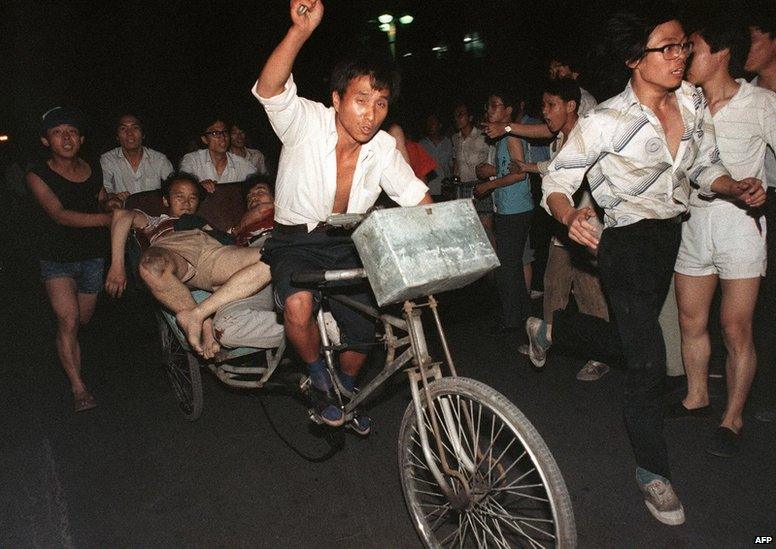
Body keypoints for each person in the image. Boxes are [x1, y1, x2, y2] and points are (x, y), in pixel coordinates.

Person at [538, 9, 764, 525]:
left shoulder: (693, 102)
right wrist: (569, 212)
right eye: (667, 48)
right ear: (634, 59)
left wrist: (733, 186)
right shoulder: (604, 122)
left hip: (670, 237)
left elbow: (705, 165)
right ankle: (652, 474)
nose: (680, 56)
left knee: (637, 346)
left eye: (683, 46)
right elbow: (557, 176)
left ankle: (556, 328)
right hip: (623, 242)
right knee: (647, 361)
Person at [253, 0, 432, 432]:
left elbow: (417, 199)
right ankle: (318, 378)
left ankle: (346, 386)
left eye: (382, 103)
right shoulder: (305, 122)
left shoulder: (384, 148)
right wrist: (299, 31)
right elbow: (271, 87)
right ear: (337, 99)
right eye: (361, 100)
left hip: (347, 243)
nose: (371, 115)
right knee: (297, 308)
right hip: (295, 241)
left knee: (366, 327)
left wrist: (442, 242)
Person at [671, 12, 776, 457]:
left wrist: (764, 192)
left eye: (691, 47)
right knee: (691, 320)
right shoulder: (683, 101)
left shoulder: (762, 103)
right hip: (692, 222)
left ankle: (732, 418)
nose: (684, 56)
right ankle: (697, 396)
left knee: (736, 327)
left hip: (739, 226)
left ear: (720, 53)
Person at [105, 172, 273, 358]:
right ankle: (205, 323)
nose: (187, 203)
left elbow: (230, 240)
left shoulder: (202, 223)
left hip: (211, 251)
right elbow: (121, 215)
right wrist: (117, 266)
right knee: (152, 265)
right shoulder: (155, 220)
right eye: (179, 197)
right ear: (166, 200)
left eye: (192, 198)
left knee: (276, 256)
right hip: (174, 250)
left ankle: (200, 315)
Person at [518, 78, 612, 381]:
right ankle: (544, 338)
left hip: (588, 228)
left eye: (551, 105)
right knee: (554, 285)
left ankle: (599, 356)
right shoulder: (562, 138)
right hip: (565, 228)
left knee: (589, 293)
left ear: (571, 106)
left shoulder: (587, 136)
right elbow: (554, 172)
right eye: (543, 105)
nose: (545, 112)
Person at [26, 107, 112, 412]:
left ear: (81, 138)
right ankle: (79, 389)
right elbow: (59, 215)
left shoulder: (93, 168)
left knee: (82, 320)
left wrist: (112, 203)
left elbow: (101, 197)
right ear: (46, 140)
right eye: (58, 132)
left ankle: (69, 350)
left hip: (92, 256)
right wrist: (105, 221)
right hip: (56, 257)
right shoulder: (38, 174)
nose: (66, 137)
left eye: (72, 131)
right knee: (69, 319)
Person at [473, 89, 533, 337]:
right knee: (512, 265)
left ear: (508, 111)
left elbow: (520, 173)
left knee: (508, 267)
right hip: (510, 207)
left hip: (515, 208)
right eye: (489, 106)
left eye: (496, 105)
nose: (490, 110)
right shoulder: (504, 137)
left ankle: (513, 321)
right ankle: (519, 317)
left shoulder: (511, 135)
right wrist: (492, 172)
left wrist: (489, 184)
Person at [746, 1, 776, 423]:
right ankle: (766, 393)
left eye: (753, 39)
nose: (744, 47)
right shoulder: (746, 92)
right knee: (765, 304)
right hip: (761, 198)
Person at [100, 114, 173, 203]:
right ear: (117, 137)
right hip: (123, 213)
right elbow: (103, 191)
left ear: (143, 134)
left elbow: (174, 187)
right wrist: (114, 197)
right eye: (123, 128)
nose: (129, 133)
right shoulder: (107, 160)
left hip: (154, 213)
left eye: (135, 128)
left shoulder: (160, 160)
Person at [180, 118, 257, 193]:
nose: (223, 137)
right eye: (215, 133)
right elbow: (181, 188)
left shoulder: (243, 165)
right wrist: (198, 187)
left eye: (225, 132)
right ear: (205, 139)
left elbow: (258, 187)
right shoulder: (192, 161)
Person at [452, 102, 493, 241]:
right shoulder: (455, 138)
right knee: (466, 229)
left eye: (461, 115)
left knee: (486, 229)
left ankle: (496, 261)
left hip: (480, 186)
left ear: (470, 117)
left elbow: (492, 160)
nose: (457, 118)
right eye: (456, 116)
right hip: (462, 187)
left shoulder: (482, 137)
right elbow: (456, 163)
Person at [419, 113, 453, 199]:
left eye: (433, 123)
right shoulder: (421, 144)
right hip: (428, 192)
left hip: (445, 191)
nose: (430, 126)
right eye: (428, 123)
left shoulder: (448, 142)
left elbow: (452, 166)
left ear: (439, 125)